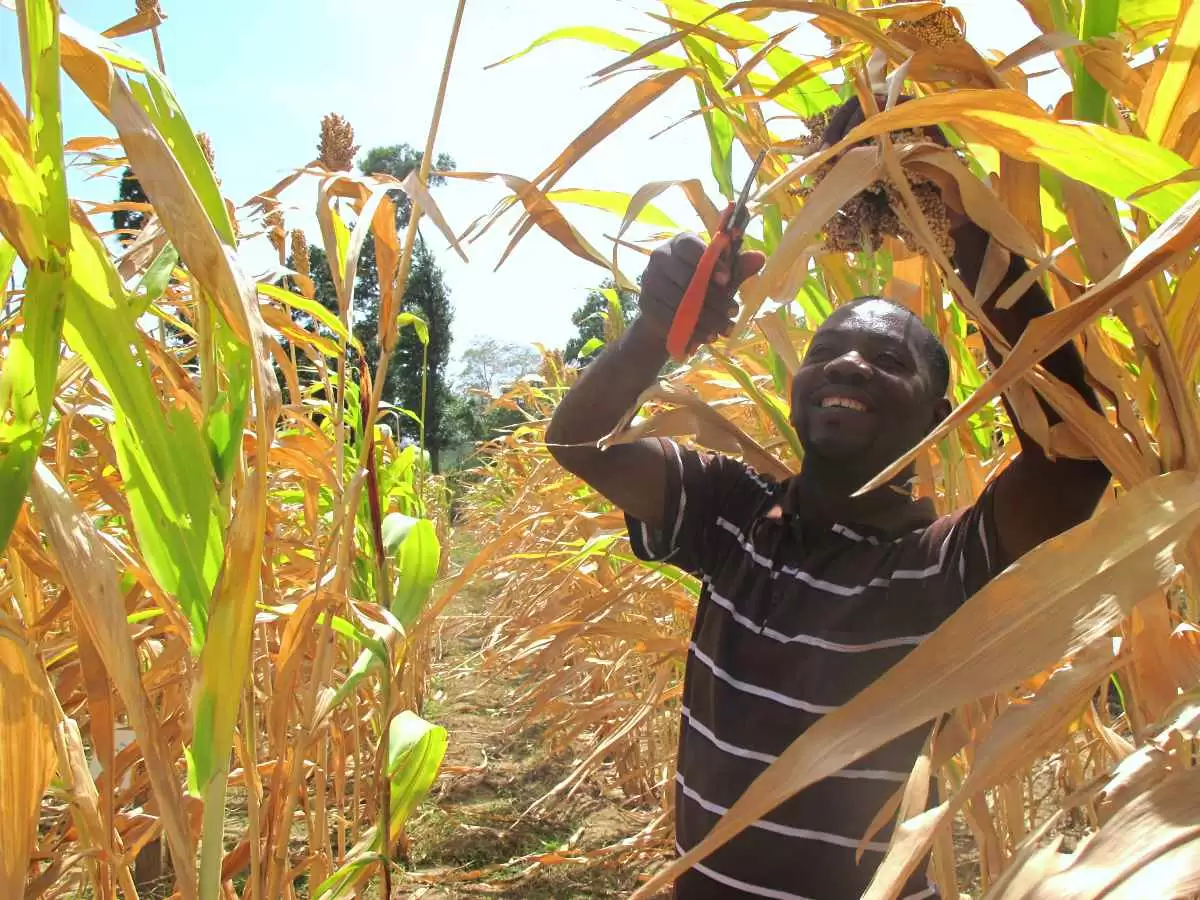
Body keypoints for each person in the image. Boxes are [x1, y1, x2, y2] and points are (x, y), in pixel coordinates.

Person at [545, 98, 1111, 900]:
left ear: (939, 414)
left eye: (888, 358)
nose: (849, 365)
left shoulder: (940, 569)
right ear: (796, 387)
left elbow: (1071, 464)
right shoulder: (730, 515)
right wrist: (654, 331)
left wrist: (957, 201)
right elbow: (578, 444)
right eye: (828, 352)